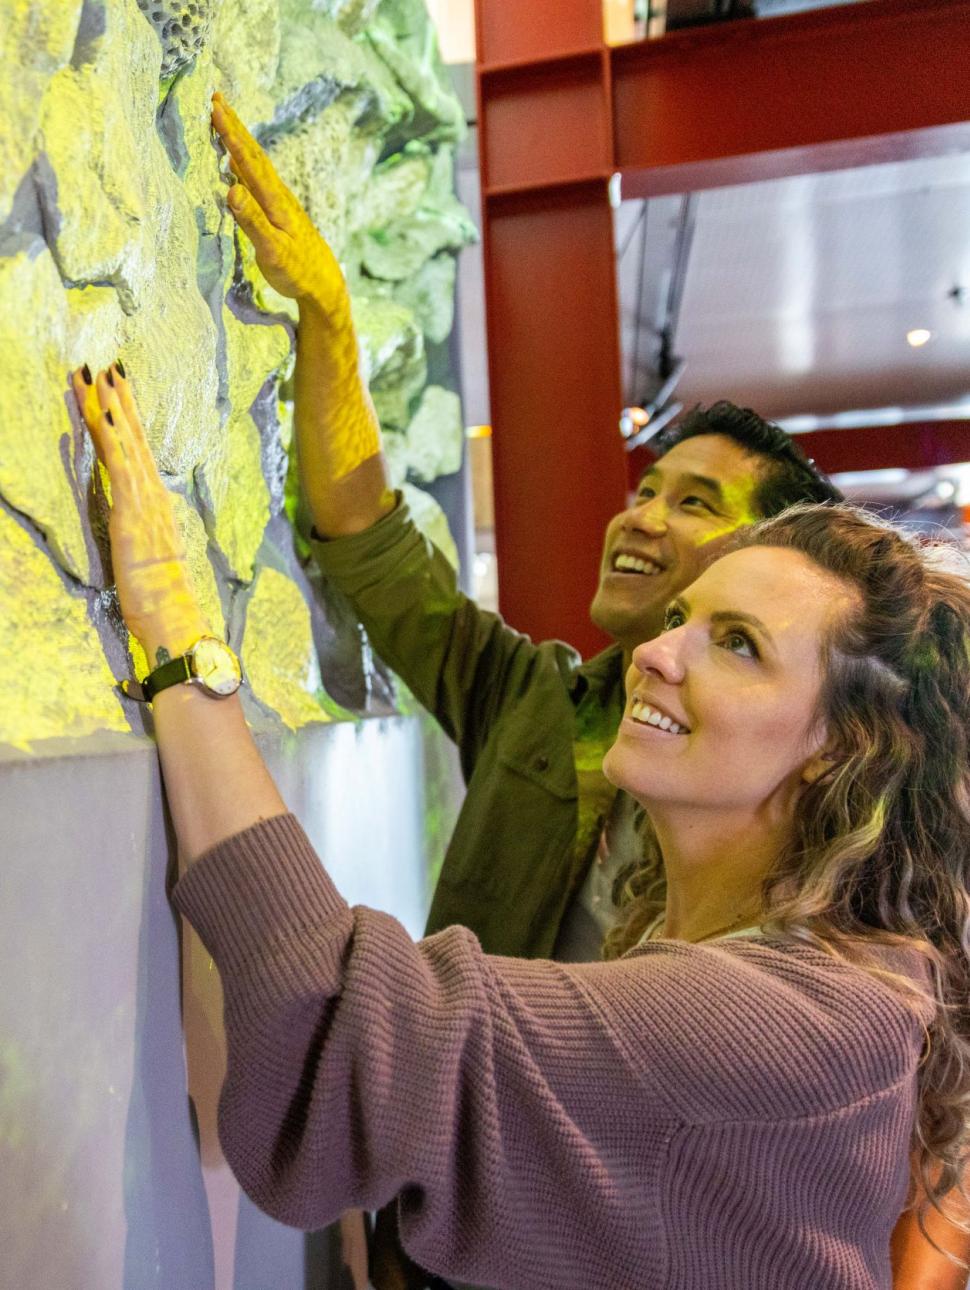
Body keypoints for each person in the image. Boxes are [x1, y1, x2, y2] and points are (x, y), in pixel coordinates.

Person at [71, 360, 970, 1289]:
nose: (657, 653)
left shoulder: (792, 1021)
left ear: (844, 747)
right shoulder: (799, 952)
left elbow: (342, 1031)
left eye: (737, 643)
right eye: (679, 619)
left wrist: (173, 619)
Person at [206, 92, 843, 973]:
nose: (642, 516)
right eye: (647, 487)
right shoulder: (534, 702)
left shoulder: (812, 824)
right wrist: (326, 311)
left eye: (695, 503)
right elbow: (372, 546)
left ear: (767, 565)